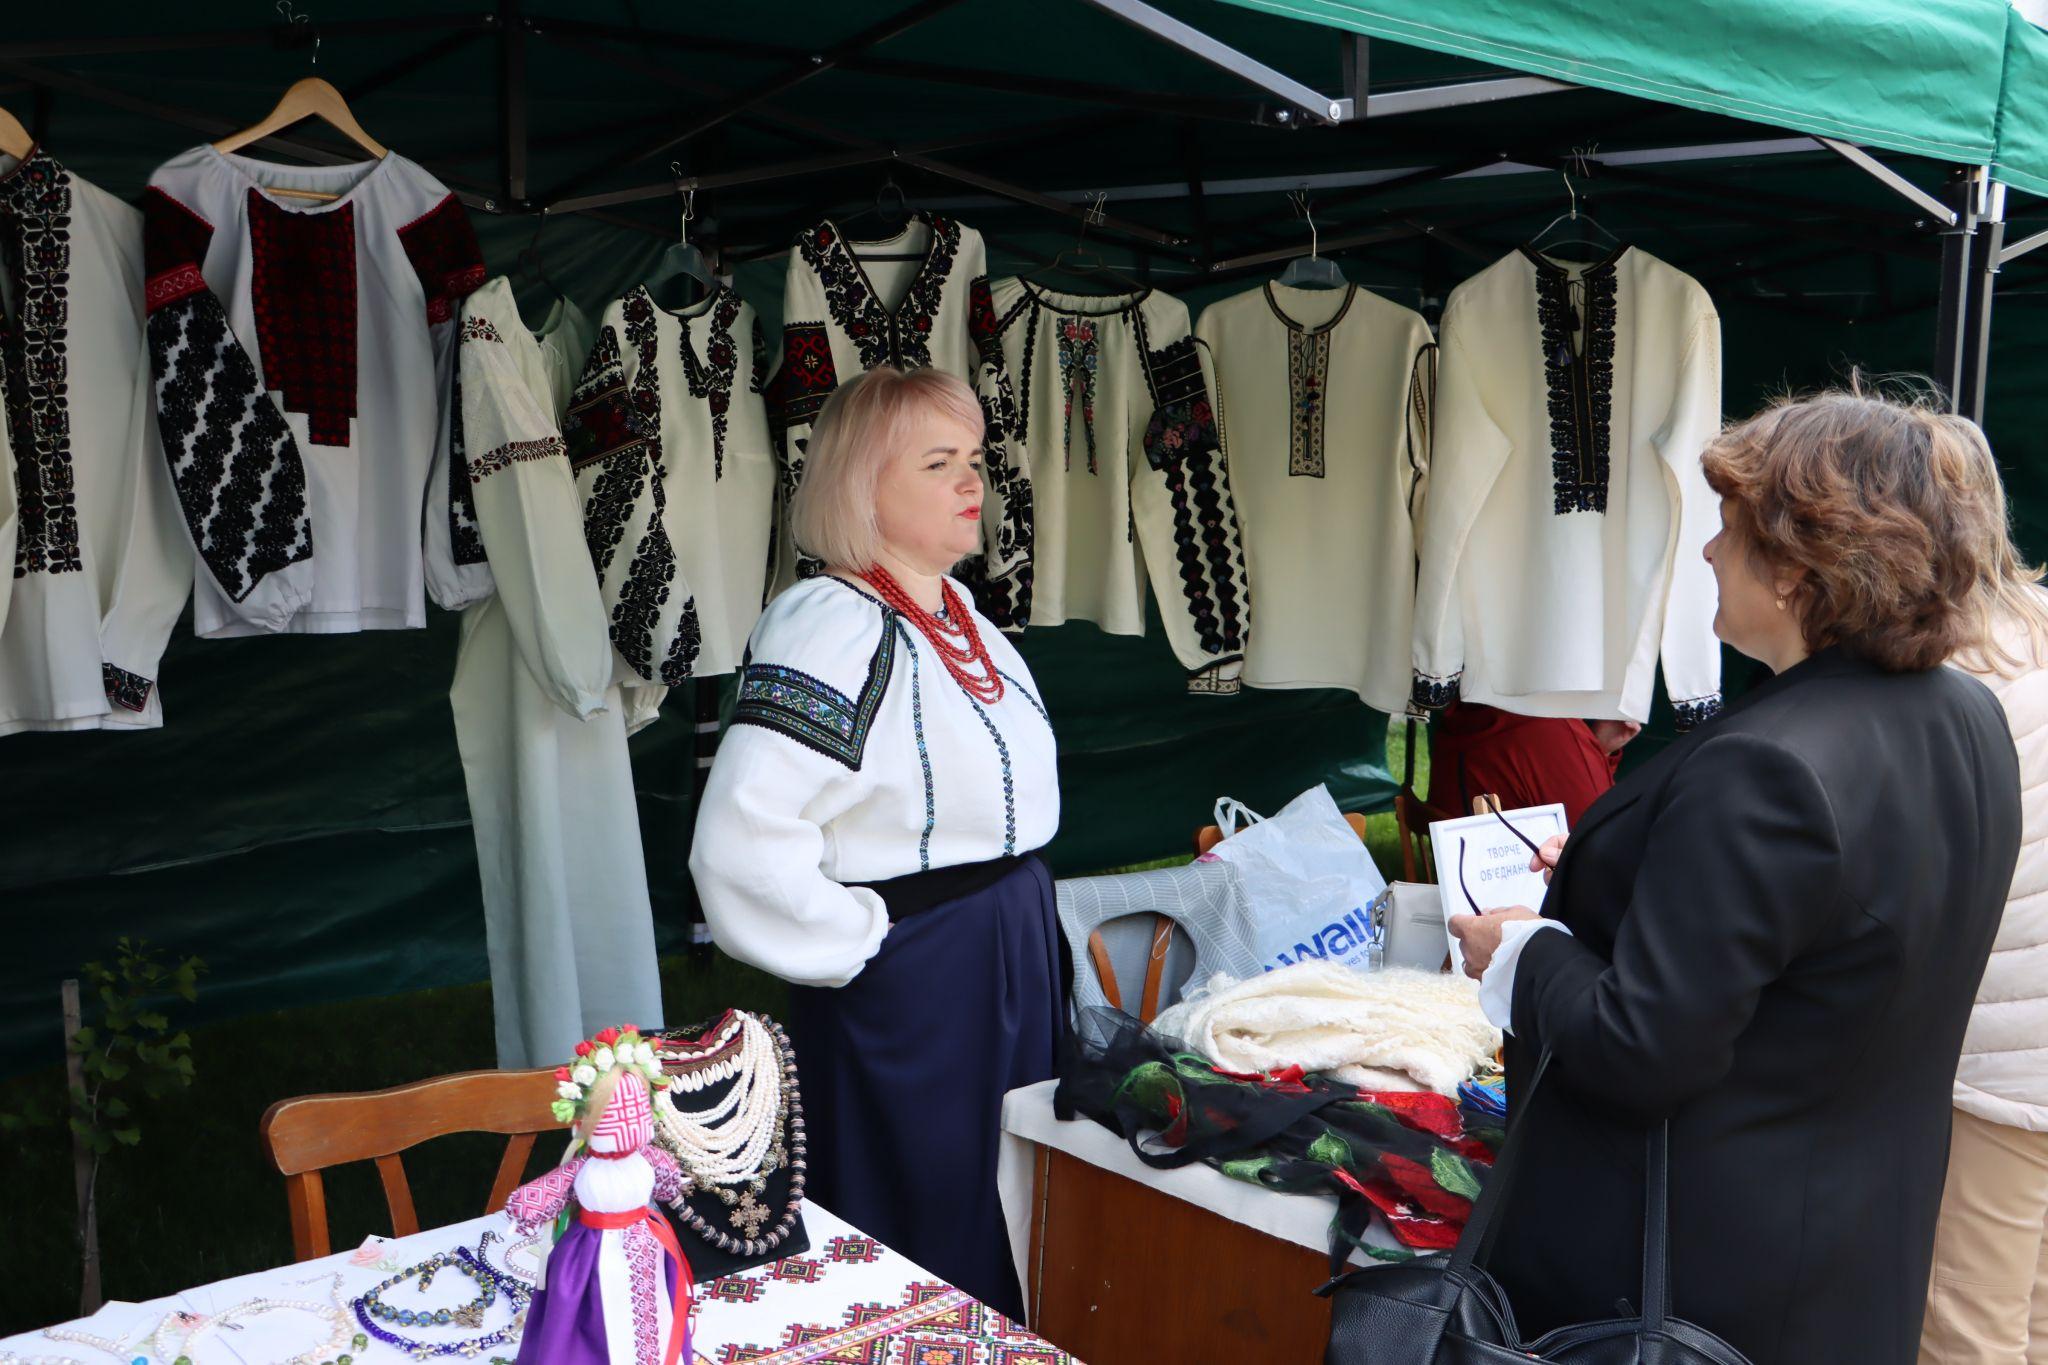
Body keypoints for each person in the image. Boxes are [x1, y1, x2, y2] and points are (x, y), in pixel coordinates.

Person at [1449, 386, 2025, 1365]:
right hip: (1846, 1271)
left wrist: (1520, 952)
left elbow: (1642, 1049)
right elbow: (1828, 948)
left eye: (1726, 529)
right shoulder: (1963, 719)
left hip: (1693, 1289)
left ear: (1798, 569)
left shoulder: (1764, 765)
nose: (1707, 552)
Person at [690, 365, 1060, 1319]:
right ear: (862, 486)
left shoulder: (956, 615)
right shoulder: (831, 624)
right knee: (923, 1222)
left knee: (1013, 1207)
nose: (972, 482)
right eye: (939, 463)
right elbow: (741, 837)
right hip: (919, 980)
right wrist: (860, 941)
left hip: (1006, 948)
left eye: (973, 459)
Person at [1921, 464, 2048, 1365]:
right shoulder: (2034, 626)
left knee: (1967, 1326)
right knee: (2035, 1316)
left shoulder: (1946, 663)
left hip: (2004, 1060)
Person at [1428, 703, 1640, 825]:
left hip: (1467, 877)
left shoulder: (1471, 710)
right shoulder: (1550, 729)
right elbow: (1601, 834)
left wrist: (1599, 751)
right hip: (1522, 893)